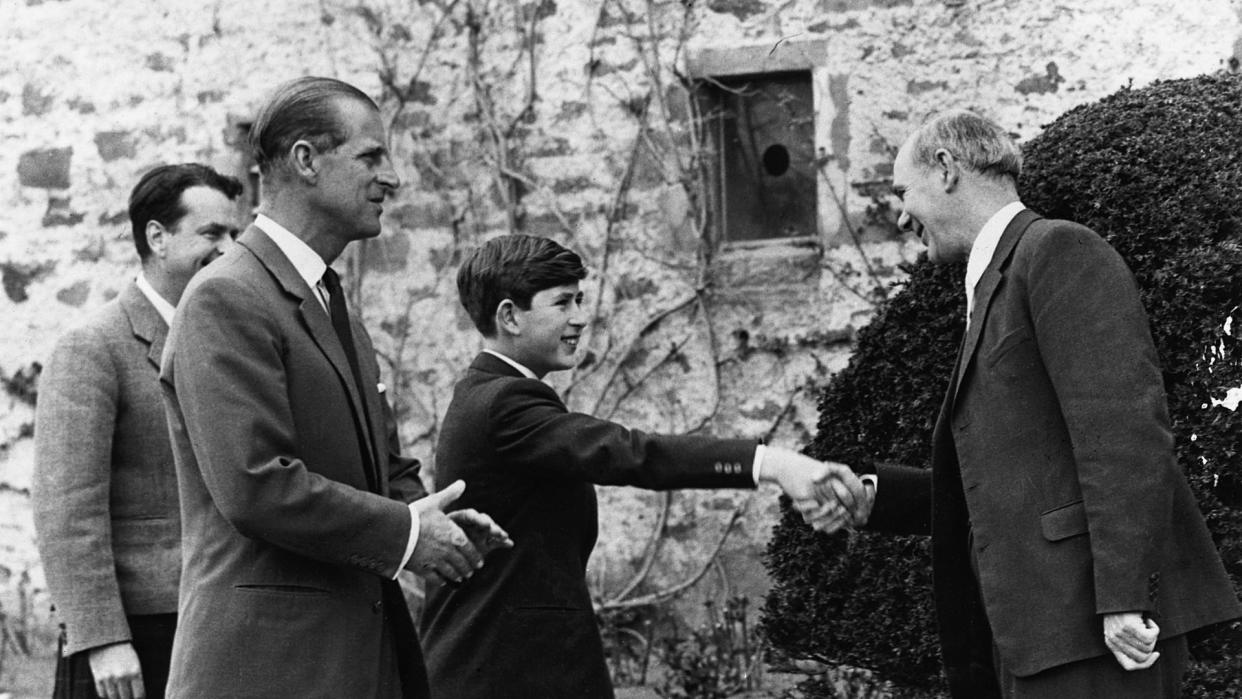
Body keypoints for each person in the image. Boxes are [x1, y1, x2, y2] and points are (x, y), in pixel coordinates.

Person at [826, 110, 1240, 698]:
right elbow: (1015, 479)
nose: (900, 215)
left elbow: (1125, 432)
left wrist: (1123, 598)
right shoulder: (996, 279)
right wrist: (877, 497)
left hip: (1096, 634)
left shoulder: (1057, 250)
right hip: (1039, 638)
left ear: (946, 169)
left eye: (902, 192)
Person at [158, 77, 510, 699]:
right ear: (305, 161)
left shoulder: (333, 305)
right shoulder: (226, 298)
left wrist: (441, 523)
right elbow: (257, 486)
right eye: (371, 157)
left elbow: (384, 466)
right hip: (270, 668)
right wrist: (405, 534)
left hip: (357, 660)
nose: (394, 177)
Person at [420, 233, 869, 698]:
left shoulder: (487, 394)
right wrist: (774, 464)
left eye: (579, 299)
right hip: (506, 674)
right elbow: (630, 453)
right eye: (562, 303)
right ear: (510, 316)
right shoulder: (504, 402)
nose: (580, 317)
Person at [33, 163, 244, 699]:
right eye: (211, 233)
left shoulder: (229, 340)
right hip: (136, 634)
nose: (229, 248)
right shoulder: (94, 346)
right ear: (157, 237)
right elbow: (67, 508)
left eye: (235, 234)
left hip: (217, 615)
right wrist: (102, 640)